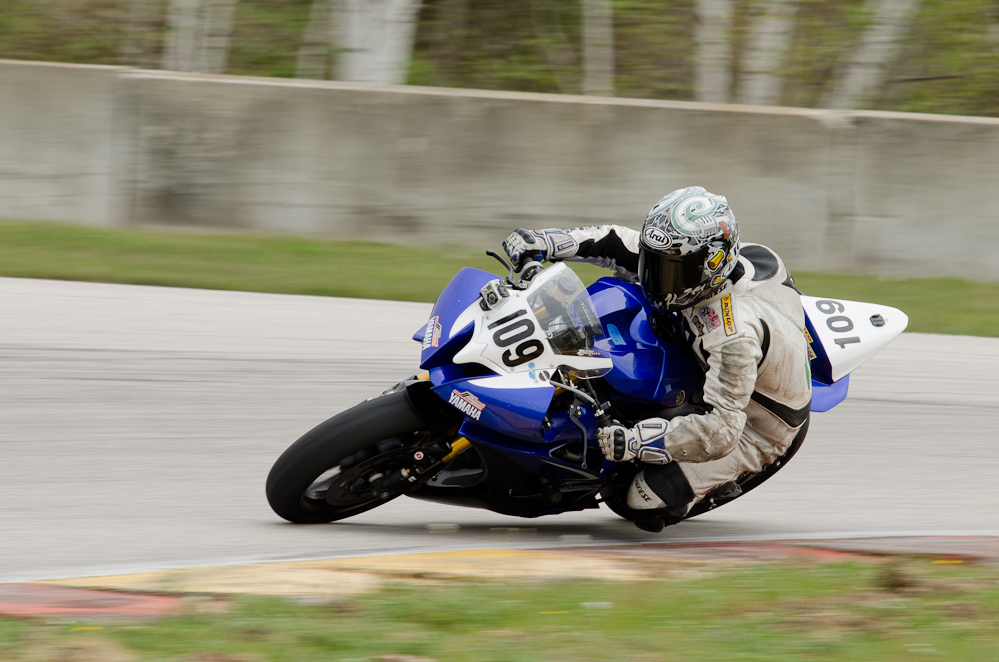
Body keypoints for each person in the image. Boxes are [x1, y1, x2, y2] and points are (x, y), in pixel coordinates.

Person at [502, 186, 812, 532]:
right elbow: (614, 241)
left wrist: (636, 442)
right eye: (653, 260)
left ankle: (699, 485)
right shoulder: (687, 262)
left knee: (637, 499)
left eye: (669, 269)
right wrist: (544, 242)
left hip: (755, 425)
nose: (653, 275)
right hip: (729, 354)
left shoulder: (732, 334)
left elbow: (722, 430)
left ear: (708, 268)